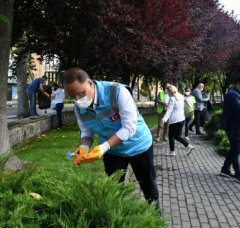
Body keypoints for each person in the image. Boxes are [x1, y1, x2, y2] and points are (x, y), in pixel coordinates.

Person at [64, 68, 159, 207]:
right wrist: (84, 147)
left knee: (149, 188)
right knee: (114, 191)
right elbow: (86, 131)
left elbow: (129, 127)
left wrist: (104, 147)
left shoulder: (117, 92)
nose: (78, 99)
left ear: (90, 83)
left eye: (81, 93)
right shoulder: (78, 107)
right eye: (74, 97)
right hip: (113, 152)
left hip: (139, 145)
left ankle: (156, 218)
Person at [160, 84, 195, 156]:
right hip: (181, 119)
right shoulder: (181, 96)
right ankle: (189, 146)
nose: (167, 93)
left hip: (175, 120)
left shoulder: (172, 99)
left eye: (168, 92)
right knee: (177, 136)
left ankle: (172, 152)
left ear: (170, 92)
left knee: (171, 136)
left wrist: (163, 120)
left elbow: (169, 111)